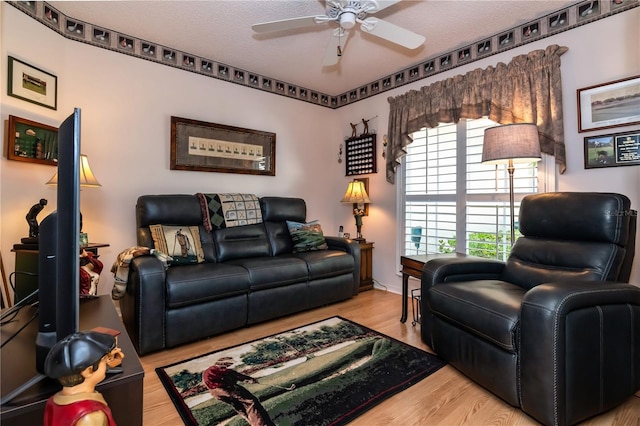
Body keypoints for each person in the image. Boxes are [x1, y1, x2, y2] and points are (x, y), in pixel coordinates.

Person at [43, 331, 124, 426]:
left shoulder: (53, 402)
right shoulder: (90, 417)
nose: (106, 364)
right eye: (104, 360)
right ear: (89, 371)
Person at [203, 357, 275, 426]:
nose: (229, 366)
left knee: (239, 406)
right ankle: (261, 424)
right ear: (224, 363)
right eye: (228, 364)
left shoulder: (207, 372)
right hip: (226, 389)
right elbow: (237, 376)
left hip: (215, 393)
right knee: (251, 402)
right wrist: (250, 380)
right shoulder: (224, 371)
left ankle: (252, 422)